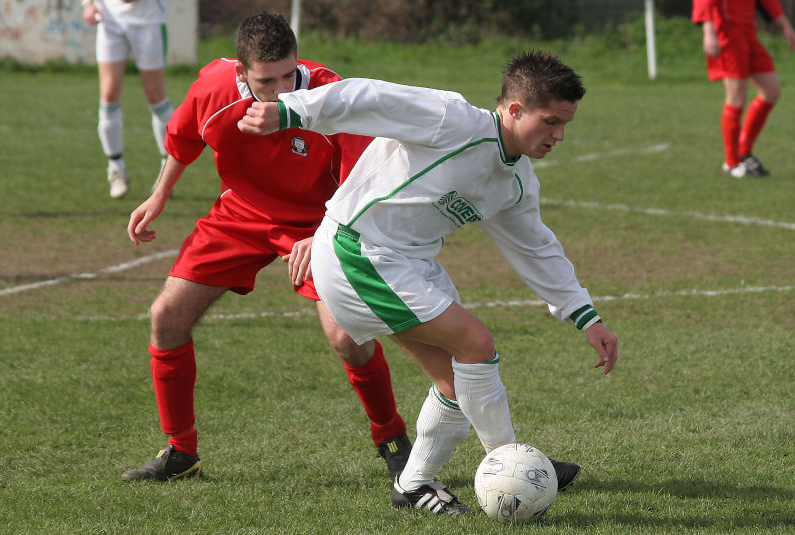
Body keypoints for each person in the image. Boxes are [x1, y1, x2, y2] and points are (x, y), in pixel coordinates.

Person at [238, 50, 618, 515]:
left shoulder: (515, 182)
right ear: (514, 110)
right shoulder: (452, 120)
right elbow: (371, 97)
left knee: (457, 380)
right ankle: (502, 465)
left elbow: (536, 249)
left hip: (406, 264)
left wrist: (586, 316)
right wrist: (293, 110)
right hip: (357, 249)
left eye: (564, 126)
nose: (558, 136)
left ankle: (434, 481)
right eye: (550, 122)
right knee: (476, 343)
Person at [122, 11, 411, 483]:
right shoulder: (215, 86)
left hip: (322, 220)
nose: (281, 90)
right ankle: (181, 453)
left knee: (347, 337)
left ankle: (393, 439)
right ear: (240, 73)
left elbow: (364, 182)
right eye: (266, 80)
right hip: (241, 213)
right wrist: (158, 195)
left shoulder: (329, 95)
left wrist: (318, 236)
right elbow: (183, 138)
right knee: (166, 318)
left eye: (287, 75)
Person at [82, 0, 175, 198]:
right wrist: (88, 4)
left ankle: (168, 172)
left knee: (155, 97)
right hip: (109, 19)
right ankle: (116, 168)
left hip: (148, 21)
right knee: (108, 95)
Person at [692, 0, 795, 178]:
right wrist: (708, 31)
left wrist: (785, 25)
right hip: (726, 32)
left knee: (771, 91)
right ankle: (731, 163)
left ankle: (744, 153)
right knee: (736, 97)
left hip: (748, 30)